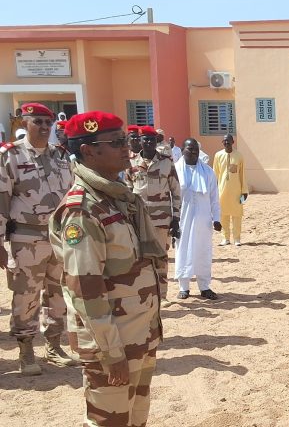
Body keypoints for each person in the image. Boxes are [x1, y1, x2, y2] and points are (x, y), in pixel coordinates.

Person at [50, 110, 165, 426]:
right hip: (112, 345)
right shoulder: (82, 211)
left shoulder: (118, 198)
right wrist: (111, 353)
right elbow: (86, 290)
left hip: (138, 333)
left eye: (124, 140)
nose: (126, 148)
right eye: (115, 143)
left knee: (136, 419)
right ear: (89, 151)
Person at [0, 103, 77, 375]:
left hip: (60, 237)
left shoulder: (61, 155)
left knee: (58, 293)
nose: (45, 127)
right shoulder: (10, 156)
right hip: (26, 238)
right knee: (26, 295)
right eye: (38, 122)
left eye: (48, 122)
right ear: (24, 123)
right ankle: (26, 351)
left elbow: (72, 195)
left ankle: (54, 346)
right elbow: (2, 200)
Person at [124, 125, 181, 307]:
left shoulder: (166, 162)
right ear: (140, 141)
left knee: (161, 257)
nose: (148, 142)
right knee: (140, 257)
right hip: (138, 219)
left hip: (161, 219)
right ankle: (145, 295)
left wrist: (176, 218)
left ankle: (162, 295)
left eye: (151, 139)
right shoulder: (131, 163)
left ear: (156, 142)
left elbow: (176, 191)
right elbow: (127, 191)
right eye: (145, 139)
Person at [174, 138, 221, 300]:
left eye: (196, 149)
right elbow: (170, 198)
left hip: (203, 220)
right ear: (182, 150)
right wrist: (172, 221)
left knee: (203, 252)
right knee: (183, 251)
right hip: (183, 220)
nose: (193, 151)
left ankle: (204, 287)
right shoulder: (175, 171)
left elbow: (214, 198)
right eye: (190, 149)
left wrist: (217, 218)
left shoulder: (208, 172)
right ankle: (184, 287)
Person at [213, 134, 248, 246]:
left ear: (233, 142)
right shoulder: (218, 155)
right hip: (221, 191)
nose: (226, 143)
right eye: (224, 141)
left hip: (236, 191)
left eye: (228, 141)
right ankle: (225, 238)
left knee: (237, 215)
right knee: (223, 215)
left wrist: (244, 191)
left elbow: (242, 174)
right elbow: (215, 174)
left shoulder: (239, 156)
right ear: (222, 143)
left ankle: (237, 239)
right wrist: (213, 190)